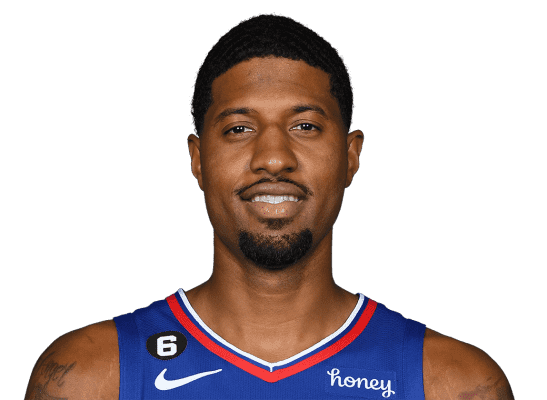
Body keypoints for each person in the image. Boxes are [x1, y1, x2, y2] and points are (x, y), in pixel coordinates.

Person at [24, 13, 514, 400]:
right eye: (239, 128)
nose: (274, 158)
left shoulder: (451, 382)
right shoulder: (91, 376)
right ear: (198, 159)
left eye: (305, 126)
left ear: (350, 156)